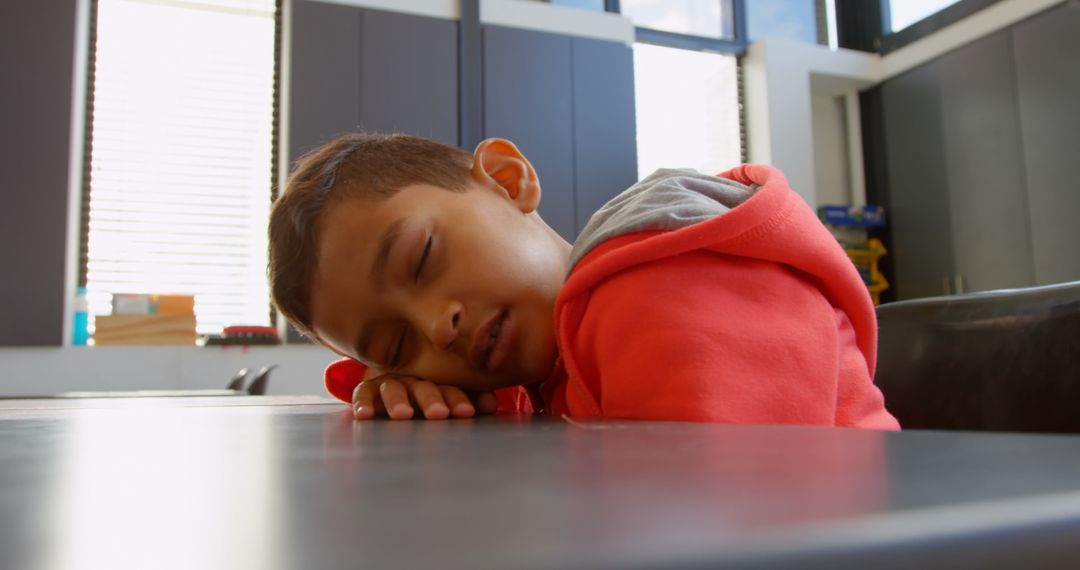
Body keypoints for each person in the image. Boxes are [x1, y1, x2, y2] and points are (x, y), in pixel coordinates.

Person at [268, 133, 899, 429]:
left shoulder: (658, 283)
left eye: (422, 260)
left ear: (508, 181)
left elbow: (721, 515)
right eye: (399, 344)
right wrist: (402, 388)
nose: (437, 325)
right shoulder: (546, 363)